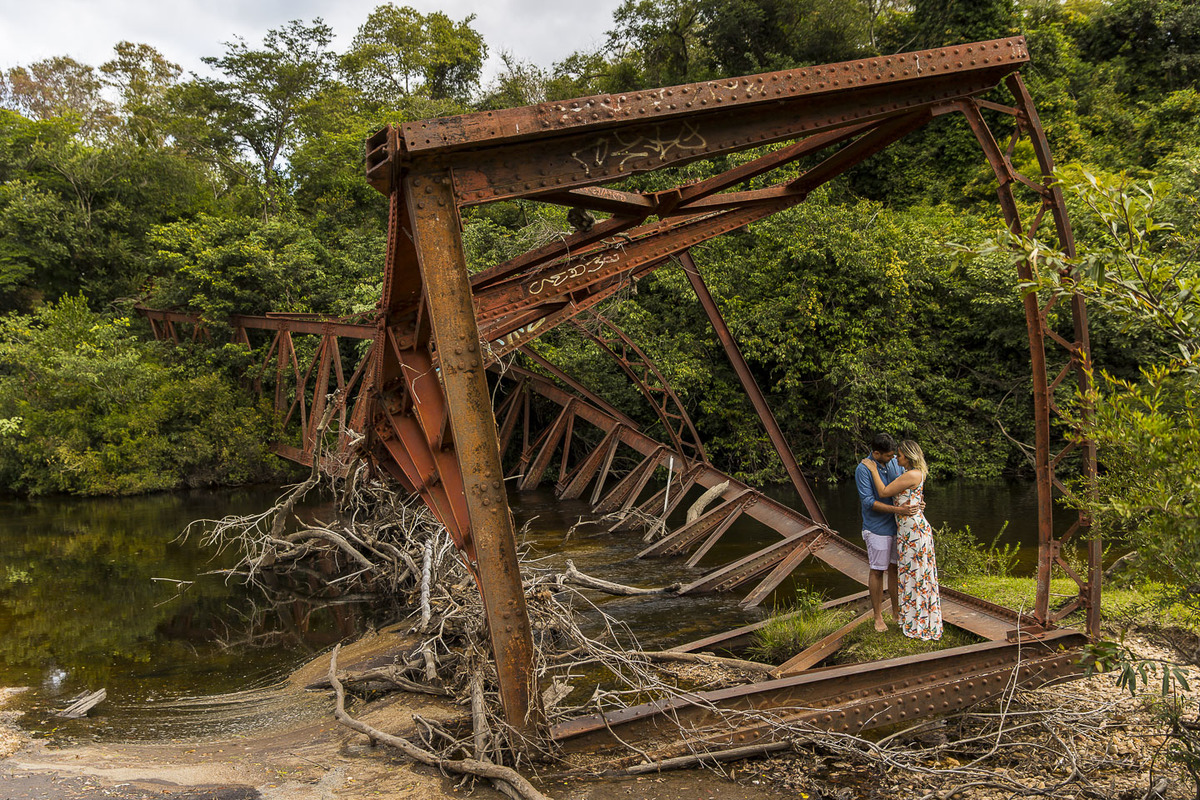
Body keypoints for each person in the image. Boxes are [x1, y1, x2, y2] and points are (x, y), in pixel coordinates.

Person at [861, 439, 943, 641]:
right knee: (914, 576)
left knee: (917, 576)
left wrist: (872, 469)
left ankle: (920, 622)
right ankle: (914, 618)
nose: (896, 458)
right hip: (908, 530)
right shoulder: (913, 474)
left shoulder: (912, 474)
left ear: (908, 456)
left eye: (899, 455)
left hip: (913, 531)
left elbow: (883, 492)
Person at [855, 433, 918, 632]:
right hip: (877, 528)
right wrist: (899, 510)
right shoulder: (863, 469)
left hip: (898, 526)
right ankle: (877, 617)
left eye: (894, 455)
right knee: (877, 570)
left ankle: (897, 612)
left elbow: (904, 487)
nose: (894, 459)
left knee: (894, 569)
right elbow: (868, 502)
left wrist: (916, 502)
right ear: (876, 453)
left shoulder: (893, 463)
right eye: (890, 456)